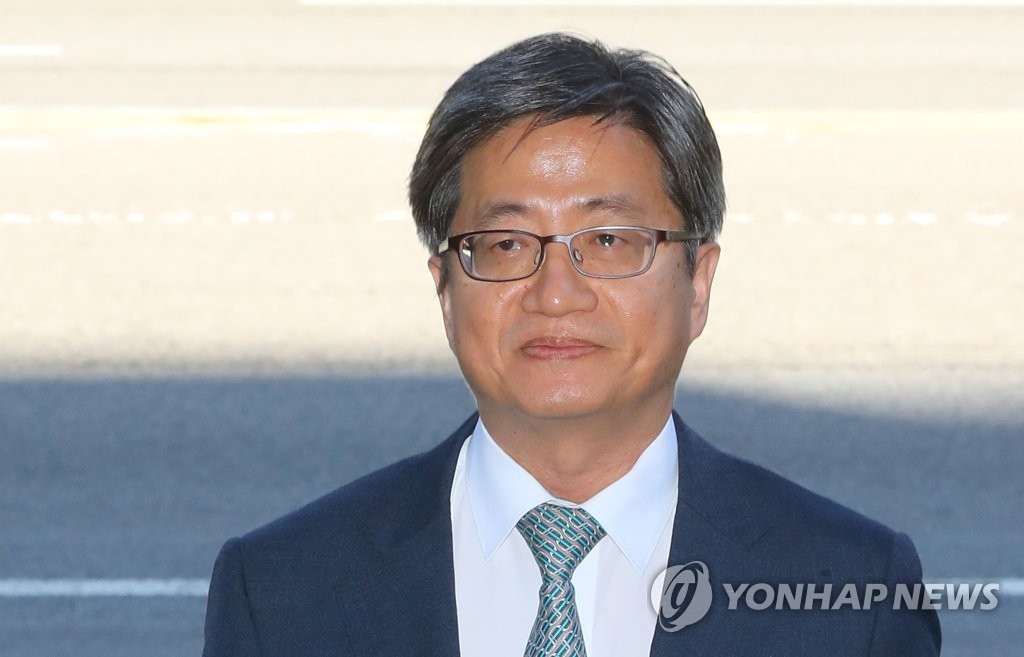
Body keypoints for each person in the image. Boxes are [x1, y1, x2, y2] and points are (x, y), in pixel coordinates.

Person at [202, 33, 941, 656]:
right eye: (505, 243)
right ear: (445, 292)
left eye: (610, 240)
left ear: (698, 284)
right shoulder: (280, 592)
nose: (556, 293)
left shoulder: (857, 597)